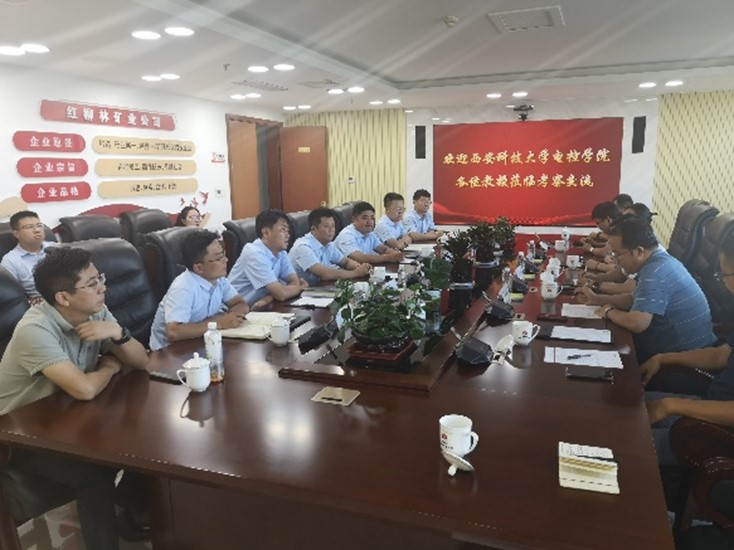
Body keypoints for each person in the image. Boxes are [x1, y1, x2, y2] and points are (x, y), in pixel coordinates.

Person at [0, 247, 150, 550]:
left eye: (100, 278)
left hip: (65, 418)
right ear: (63, 298)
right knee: (94, 474)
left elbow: (141, 362)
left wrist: (118, 332)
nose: (103, 288)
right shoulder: (35, 330)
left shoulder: (96, 311)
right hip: (20, 435)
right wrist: (110, 366)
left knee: (146, 437)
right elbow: (84, 389)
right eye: (92, 283)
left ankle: (131, 511)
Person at [643, 233, 734, 466]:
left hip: (721, 438)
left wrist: (671, 405)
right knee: (628, 403)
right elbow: (721, 355)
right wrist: (663, 358)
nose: (722, 282)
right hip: (711, 405)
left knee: (624, 444)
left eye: (724, 274)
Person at [594, 216, 717, 365]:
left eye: (618, 254)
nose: (616, 260)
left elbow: (637, 323)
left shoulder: (655, 273)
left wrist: (608, 312)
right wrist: (597, 299)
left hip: (683, 360)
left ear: (639, 251)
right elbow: (635, 300)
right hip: (682, 349)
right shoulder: (659, 261)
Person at [149, 230, 248, 351]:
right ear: (199, 268)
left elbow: (240, 303)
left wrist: (232, 317)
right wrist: (219, 323)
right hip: (169, 352)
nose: (226, 260)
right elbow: (174, 332)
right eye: (219, 258)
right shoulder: (183, 287)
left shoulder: (218, 279)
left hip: (203, 340)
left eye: (223, 254)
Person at [228, 209, 308, 306]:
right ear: (266, 232)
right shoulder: (254, 253)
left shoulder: (280, 252)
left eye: (288, 231)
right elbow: (282, 294)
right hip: (236, 309)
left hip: (261, 306)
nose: (288, 235)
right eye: (283, 230)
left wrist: (269, 298)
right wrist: (301, 288)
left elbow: (294, 281)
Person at [289, 207, 372, 285]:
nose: (331, 230)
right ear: (313, 229)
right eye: (326, 226)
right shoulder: (303, 247)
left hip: (317, 287)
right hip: (299, 292)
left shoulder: (328, 244)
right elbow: (325, 274)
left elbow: (346, 262)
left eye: (333, 226)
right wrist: (356, 273)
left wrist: (361, 268)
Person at [1, 209, 56, 304]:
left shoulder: (56, 248)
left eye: (39, 225)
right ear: (16, 234)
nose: (37, 230)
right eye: (29, 227)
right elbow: (12, 296)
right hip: (39, 301)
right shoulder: (10, 261)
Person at [333, 201, 403, 264]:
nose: (369, 222)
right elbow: (361, 258)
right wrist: (388, 258)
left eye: (372, 218)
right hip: (340, 271)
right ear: (354, 219)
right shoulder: (347, 235)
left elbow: (383, 249)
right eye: (365, 218)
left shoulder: (369, 233)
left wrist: (396, 254)